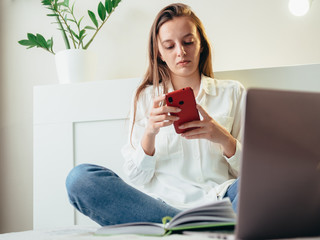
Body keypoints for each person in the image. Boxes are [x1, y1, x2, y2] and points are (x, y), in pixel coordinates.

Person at [66, 3, 246, 226]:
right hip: (160, 207)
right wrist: (150, 133)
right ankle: (186, 223)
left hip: (222, 201)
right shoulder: (145, 98)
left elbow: (254, 170)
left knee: (273, 173)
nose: (181, 51)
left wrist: (223, 139)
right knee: (80, 179)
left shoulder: (233, 92)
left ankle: (184, 226)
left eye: (188, 42)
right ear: (159, 53)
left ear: (201, 44)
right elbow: (137, 177)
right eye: (169, 46)